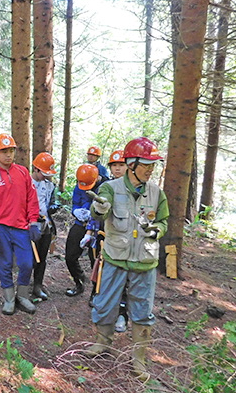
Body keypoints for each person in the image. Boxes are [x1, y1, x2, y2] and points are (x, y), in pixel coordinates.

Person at [86, 137, 169, 382]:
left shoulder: (157, 193)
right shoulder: (110, 188)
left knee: (143, 311)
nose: (150, 169)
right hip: (115, 257)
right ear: (131, 163)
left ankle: (139, 359)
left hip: (145, 261)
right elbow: (98, 212)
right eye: (146, 164)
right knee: (104, 303)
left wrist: (157, 230)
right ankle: (103, 343)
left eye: (153, 165)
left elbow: (163, 221)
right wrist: (100, 210)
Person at [0, 134, 40, 315]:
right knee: (5, 264)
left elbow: (32, 199)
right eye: (3, 152)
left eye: (11, 151)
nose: (8, 155)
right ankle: (9, 298)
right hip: (1, 228)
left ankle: (22, 295)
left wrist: (33, 222)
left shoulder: (23, 172)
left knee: (26, 263)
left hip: (21, 227)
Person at [64, 164, 102, 298]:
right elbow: (75, 202)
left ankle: (95, 292)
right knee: (70, 256)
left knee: (96, 260)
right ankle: (79, 282)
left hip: (98, 228)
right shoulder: (80, 184)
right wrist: (76, 211)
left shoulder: (105, 187)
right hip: (80, 224)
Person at [30, 153, 61, 301]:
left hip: (45, 225)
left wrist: (54, 207)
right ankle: (22, 287)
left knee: (42, 257)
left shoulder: (49, 186)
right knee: (28, 259)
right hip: (29, 225)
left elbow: (52, 202)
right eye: (44, 173)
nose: (46, 176)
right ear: (35, 169)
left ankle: (37, 285)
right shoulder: (26, 183)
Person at [107, 149, 128, 332]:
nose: (118, 169)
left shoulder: (135, 188)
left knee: (126, 280)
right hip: (109, 240)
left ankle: (123, 314)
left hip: (130, 242)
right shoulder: (108, 186)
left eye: (121, 165)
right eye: (114, 166)